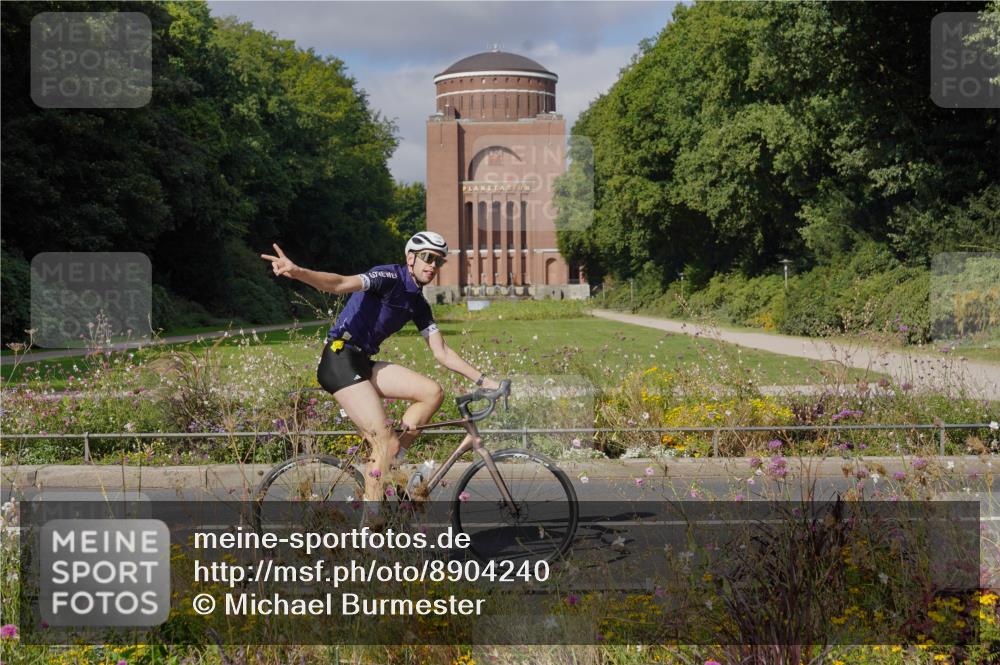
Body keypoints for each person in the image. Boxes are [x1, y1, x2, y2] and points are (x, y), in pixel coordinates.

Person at [260, 231, 501, 513]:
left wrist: (485, 381)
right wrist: (298, 272)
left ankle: (391, 461)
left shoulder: (418, 303)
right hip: (339, 358)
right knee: (384, 441)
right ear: (410, 258)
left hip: (363, 361)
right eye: (428, 258)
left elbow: (442, 352)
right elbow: (340, 284)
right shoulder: (387, 277)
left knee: (431, 392)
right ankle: (371, 530)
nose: (433, 266)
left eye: (439, 261)